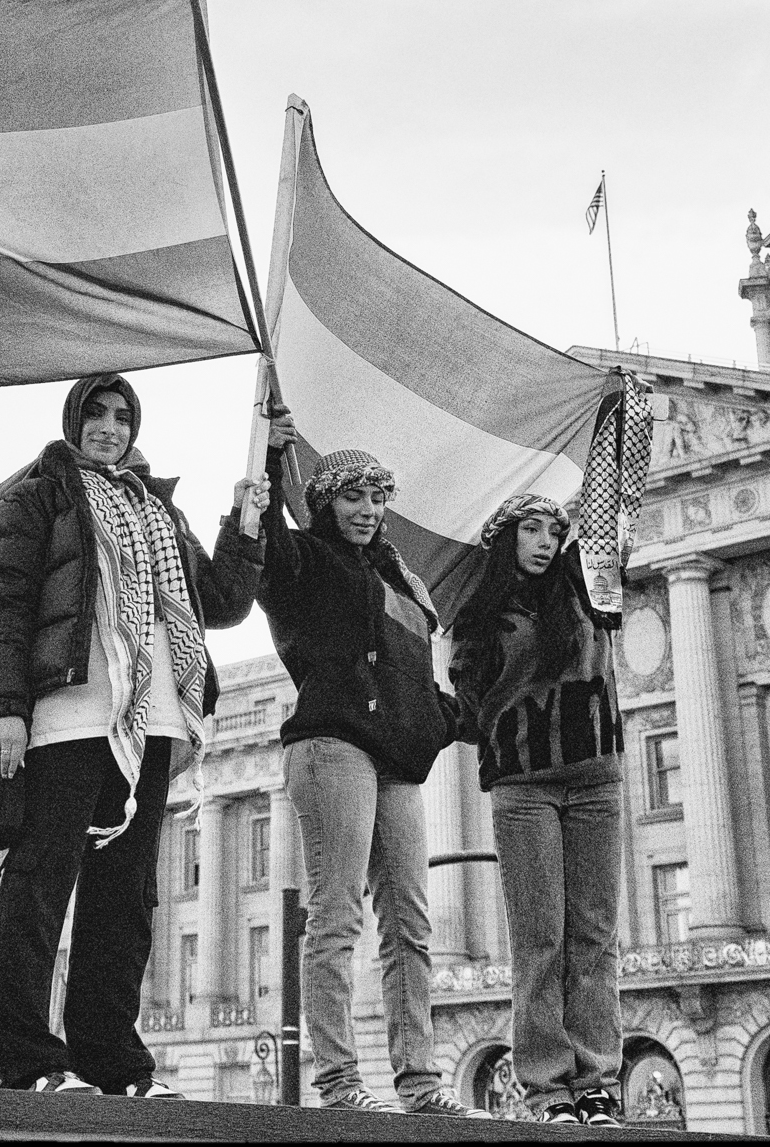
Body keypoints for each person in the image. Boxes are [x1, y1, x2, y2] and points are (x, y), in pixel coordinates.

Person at [0, 373, 261, 1097]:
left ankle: (111, 1060)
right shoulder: (36, 498)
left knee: (125, 899)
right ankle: (27, 1058)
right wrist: (3, 705)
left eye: (121, 415)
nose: (109, 426)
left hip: (153, 720)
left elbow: (219, 601)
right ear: (73, 419)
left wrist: (248, 523)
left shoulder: (160, 511)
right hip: (68, 716)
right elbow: (1, 604)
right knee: (41, 885)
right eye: (95, 414)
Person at [252, 444, 481, 1118]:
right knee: (336, 914)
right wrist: (269, 458)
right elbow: (266, 548)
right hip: (334, 744)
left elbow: (422, 675)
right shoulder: (306, 559)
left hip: (397, 760)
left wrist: (443, 720)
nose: (367, 510)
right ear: (324, 501)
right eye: (353, 496)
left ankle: (418, 1082)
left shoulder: (403, 578)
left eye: (378, 497)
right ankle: (338, 1080)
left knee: (410, 922)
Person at [451, 492, 625, 1127]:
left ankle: (598, 1081)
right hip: (524, 786)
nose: (547, 540)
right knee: (541, 936)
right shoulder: (479, 615)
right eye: (531, 528)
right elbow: (469, 709)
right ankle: (550, 1089)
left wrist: (620, 399)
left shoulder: (590, 590)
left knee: (596, 934)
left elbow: (617, 501)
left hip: (596, 781)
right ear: (506, 538)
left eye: (556, 529)